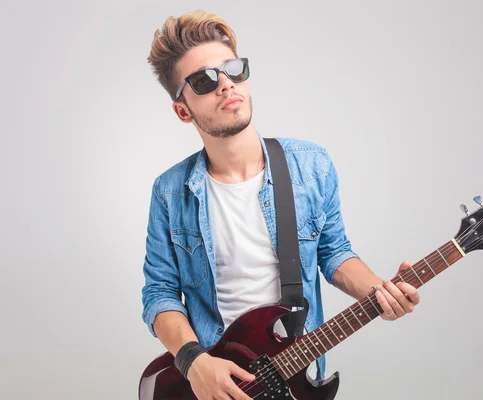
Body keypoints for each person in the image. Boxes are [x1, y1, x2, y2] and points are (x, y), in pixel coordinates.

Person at [141, 9, 420, 400]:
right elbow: (160, 294)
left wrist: (378, 290)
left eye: (233, 70)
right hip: (216, 382)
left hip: (295, 374)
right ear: (183, 110)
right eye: (203, 80)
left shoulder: (311, 164)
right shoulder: (170, 192)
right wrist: (195, 362)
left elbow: (334, 253)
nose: (226, 85)